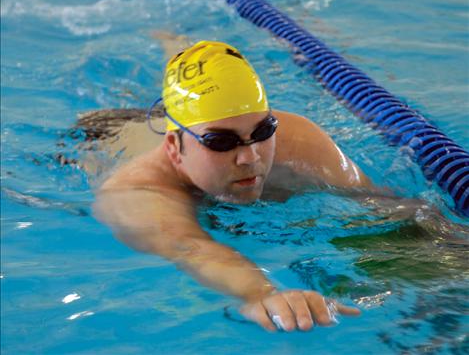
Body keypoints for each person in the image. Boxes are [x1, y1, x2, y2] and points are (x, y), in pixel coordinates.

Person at [94, 40, 375, 332]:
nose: (250, 156)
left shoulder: (298, 140)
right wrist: (261, 293)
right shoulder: (137, 191)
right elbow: (191, 248)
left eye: (264, 130)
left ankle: (172, 41)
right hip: (106, 132)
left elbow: (378, 207)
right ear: (173, 147)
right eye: (221, 142)